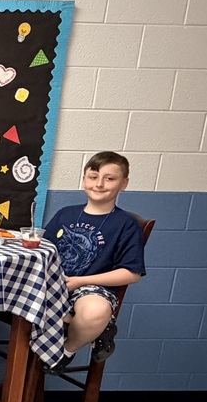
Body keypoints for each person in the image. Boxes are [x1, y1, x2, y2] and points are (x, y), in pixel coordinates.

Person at [43, 151, 145, 373]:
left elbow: (132, 273)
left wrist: (80, 281)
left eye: (110, 178)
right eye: (93, 176)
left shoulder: (125, 224)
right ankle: (98, 329)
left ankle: (64, 352)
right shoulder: (65, 214)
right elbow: (45, 250)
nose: (99, 184)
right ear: (84, 180)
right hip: (54, 284)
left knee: (95, 311)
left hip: (92, 289)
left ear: (124, 183)